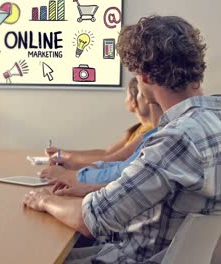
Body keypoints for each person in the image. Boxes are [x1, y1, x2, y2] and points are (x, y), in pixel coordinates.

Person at [23, 15, 221, 263]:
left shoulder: (175, 140)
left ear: (145, 76)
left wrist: (43, 199)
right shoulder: (212, 122)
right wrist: (92, 188)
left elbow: (91, 219)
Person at [41, 80, 163, 197]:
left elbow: (112, 162)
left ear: (136, 100)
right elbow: (108, 156)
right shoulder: (137, 129)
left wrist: (69, 170)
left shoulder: (148, 134)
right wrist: (69, 161)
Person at [46, 77, 153, 170]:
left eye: (127, 95)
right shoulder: (137, 128)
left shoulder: (147, 132)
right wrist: (63, 152)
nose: (125, 100)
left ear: (134, 102)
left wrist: (68, 158)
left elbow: (112, 159)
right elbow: (106, 152)